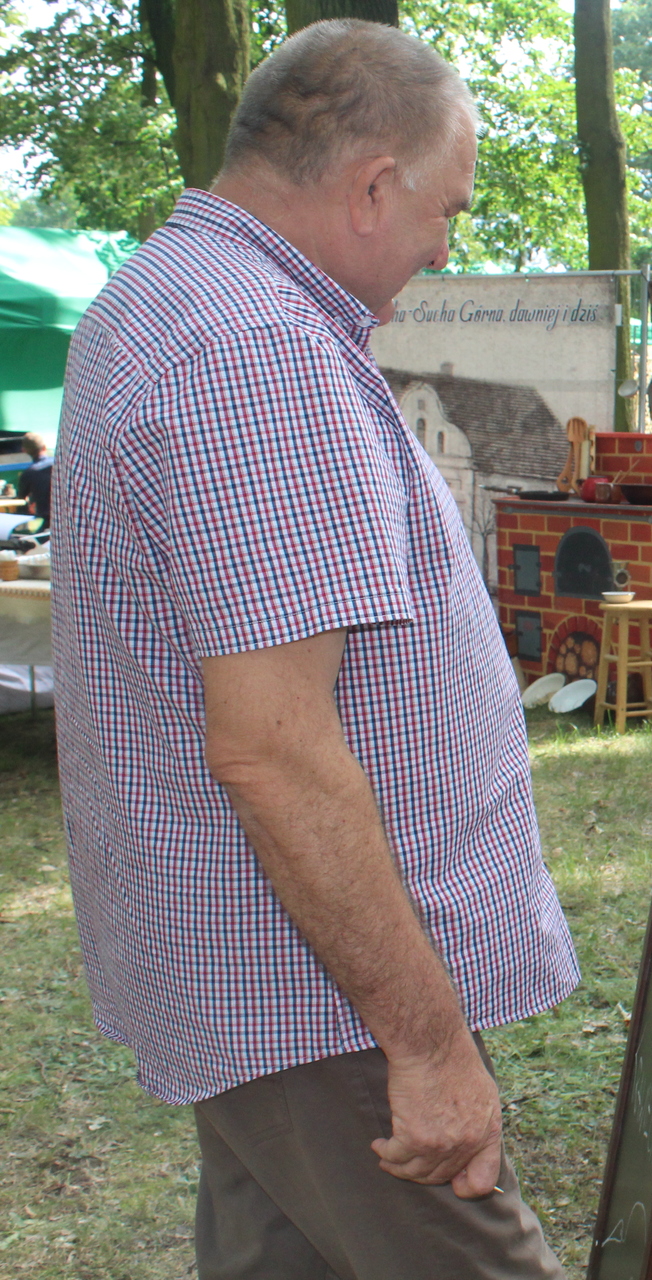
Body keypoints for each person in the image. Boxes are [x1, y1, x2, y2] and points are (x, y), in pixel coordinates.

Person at [51, 21, 577, 1278]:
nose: (447, 243)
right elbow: (275, 751)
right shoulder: (253, 351)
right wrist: (429, 1044)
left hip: (272, 983)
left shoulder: (180, 298)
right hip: (321, 995)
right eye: (445, 209)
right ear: (373, 187)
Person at [17, 432, 51, 526]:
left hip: (44, 518)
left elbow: (21, 497)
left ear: (24, 450)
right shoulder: (60, 465)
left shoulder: (28, 473)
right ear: (44, 447)